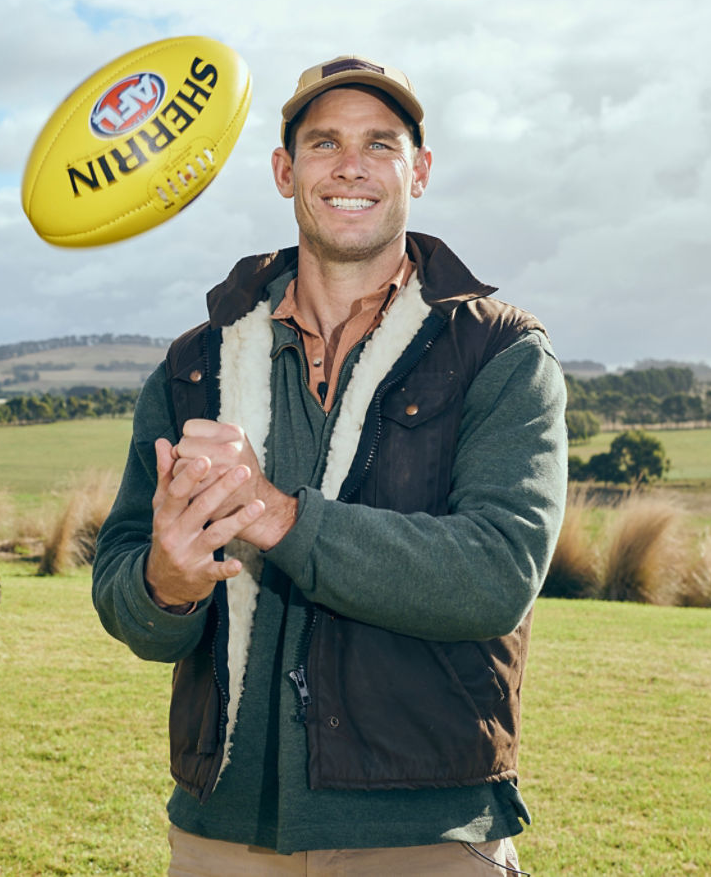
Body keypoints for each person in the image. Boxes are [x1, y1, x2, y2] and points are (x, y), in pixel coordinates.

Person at [91, 54, 567, 875]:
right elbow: (122, 587)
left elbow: (498, 574)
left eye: (381, 143)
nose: (352, 166)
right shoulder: (194, 366)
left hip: (424, 837)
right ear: (285, 172)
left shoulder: (501, 351)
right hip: (222, 835)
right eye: (324, 143)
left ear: (419, 171)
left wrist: (276, 514)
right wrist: (166, 583)